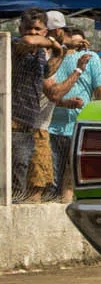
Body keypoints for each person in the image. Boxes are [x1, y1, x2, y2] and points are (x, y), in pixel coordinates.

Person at [11, 11, 83, 202]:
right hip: (12, 122)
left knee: (29, 178)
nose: (33, 32)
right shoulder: (16, 46)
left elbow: (47, 72)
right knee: (16, 179)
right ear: (20, 29)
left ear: (45, 30)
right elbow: (28, 42)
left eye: (37, 29)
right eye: (29, 28)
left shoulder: (41, 54)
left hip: (29, 123)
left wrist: (62, 50)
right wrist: (54, 43)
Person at [48, 24, 101, 198]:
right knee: (51, 180)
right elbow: (47, 94)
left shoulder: (90, 58)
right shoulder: (49, 57)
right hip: (50, 128)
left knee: (71, 178)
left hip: (79, 127)